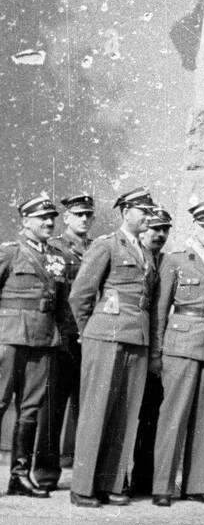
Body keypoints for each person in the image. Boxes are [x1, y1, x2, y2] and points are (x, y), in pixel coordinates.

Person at [69, 188, 159, 509]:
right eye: (142, 209)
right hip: (106, 335)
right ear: (125, 211)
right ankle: (82, 486)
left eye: (150, 209)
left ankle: (110, 481)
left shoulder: (146, 253)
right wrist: (87, 331)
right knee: (96, 410)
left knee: (125, 414)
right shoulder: (106, 245)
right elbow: (80, 294)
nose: (148, 215)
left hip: (136, 337)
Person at [151, 199, 204, 508]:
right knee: (174, 416)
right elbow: (160, 312)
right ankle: (162, 485)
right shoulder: (175, 261)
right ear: (194, 227)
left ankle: (197, 485)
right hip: (180, 345)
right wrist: (156, 354)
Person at [0, 194, 71, 497]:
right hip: (9, 337)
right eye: (41, 218)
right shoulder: (10, 253)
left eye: (52, 217)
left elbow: (63, 303)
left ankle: (19, 475)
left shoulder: (57, 257)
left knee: (30, 409)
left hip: (43, 339)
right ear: (25, 222)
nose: (48, 222)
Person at [32, 192, 94, 491]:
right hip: (61, 338)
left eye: (88, 214)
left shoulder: (98, 249)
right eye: (78, 214)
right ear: (66, 217)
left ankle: (85, 475)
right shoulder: (54, 249)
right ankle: (45, 473)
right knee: (52, 408)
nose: (84, 219)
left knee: (88, 407)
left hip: (91, 338)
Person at [128, 205, 172, 496]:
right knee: (130, 414)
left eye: (165, 229)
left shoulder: (166, 261)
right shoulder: (135, 259)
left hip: (158, 350)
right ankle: (121, 477)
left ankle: (144, 477)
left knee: (152, 415)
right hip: (135, 346)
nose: (160, 234)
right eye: (155, 228)